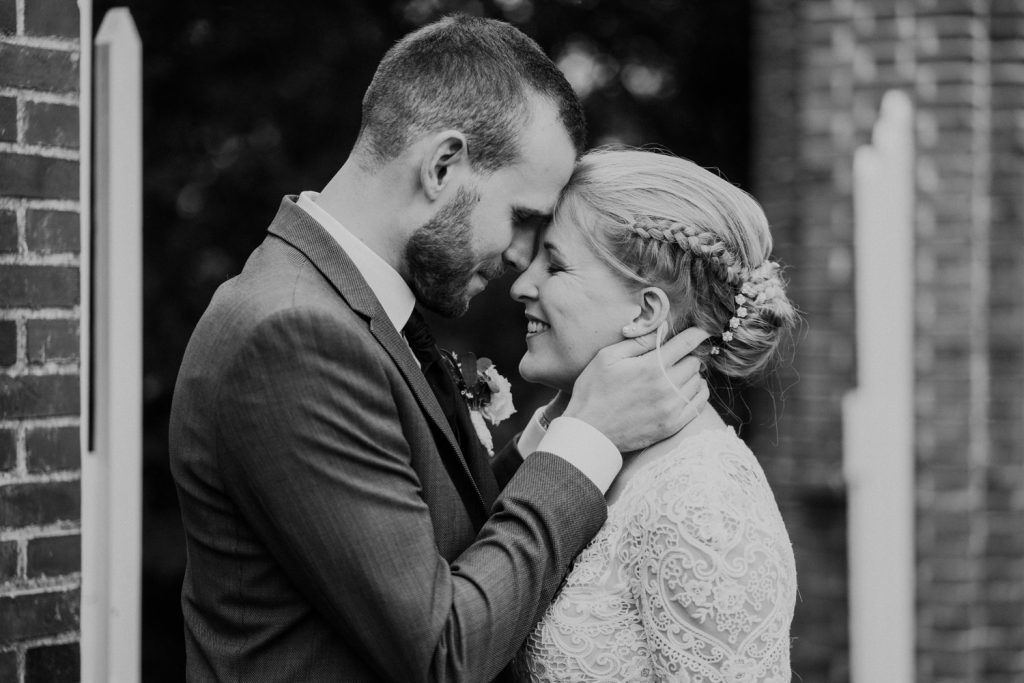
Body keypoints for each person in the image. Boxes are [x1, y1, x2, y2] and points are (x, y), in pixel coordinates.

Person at [168, 16, 711, 683]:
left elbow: (440, 542)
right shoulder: (292, 335)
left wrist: (557, 431)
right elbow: (441, 651)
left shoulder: (349, 309)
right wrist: (588, 440)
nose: (521, 259)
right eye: (523, 219)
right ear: (443, 165)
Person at [510, 148, 798, 682]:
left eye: (554, 264)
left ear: (645, 313)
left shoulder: (703, 504)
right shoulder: (589, 455)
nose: (522, 285)